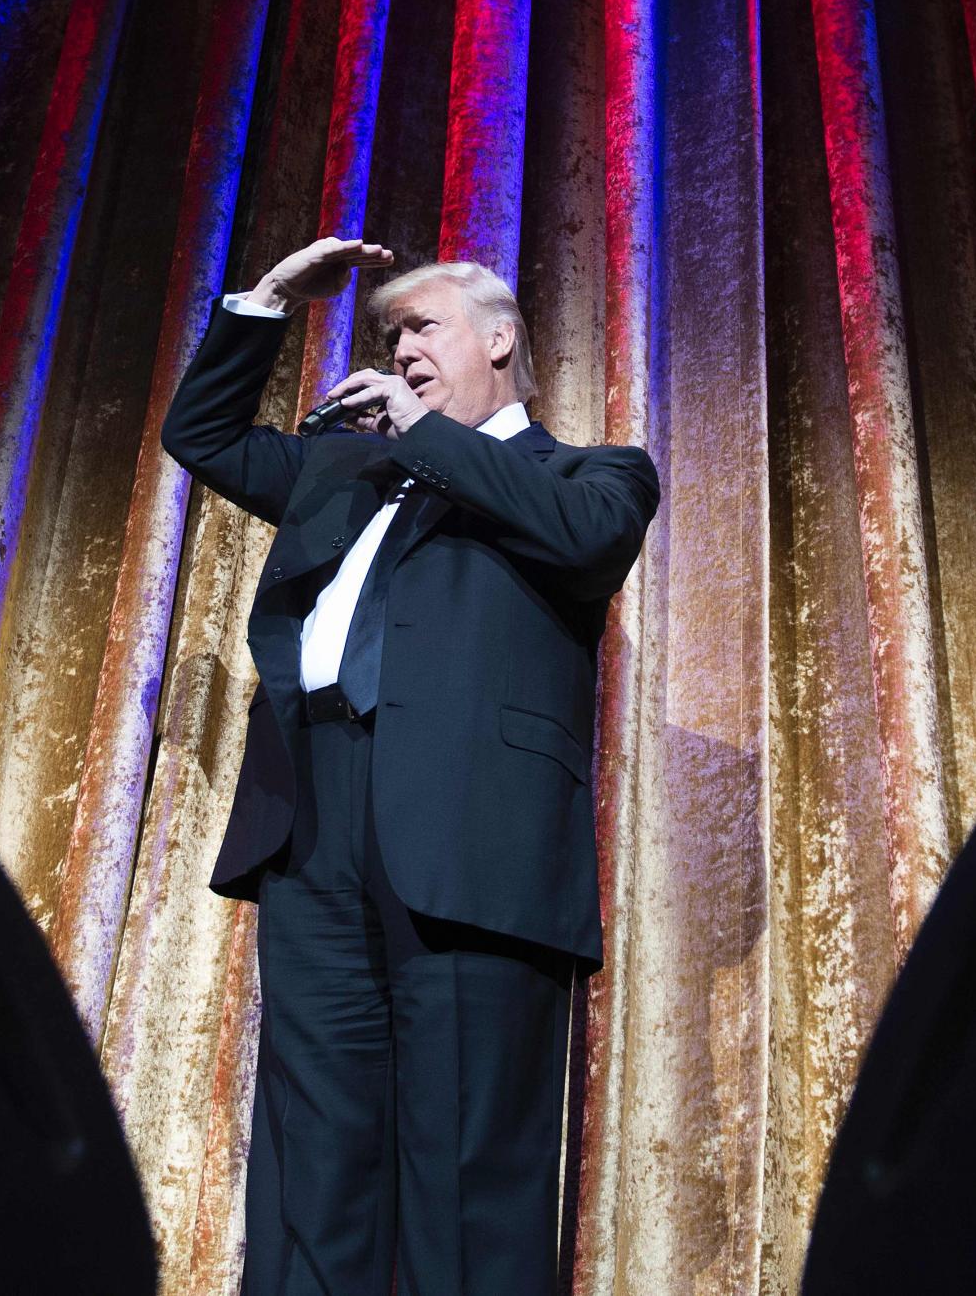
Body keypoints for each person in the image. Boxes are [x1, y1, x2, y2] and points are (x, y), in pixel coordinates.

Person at [162, 235, 660, 1296]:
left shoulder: (590, 473)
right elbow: (200, 434)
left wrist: (424, 430)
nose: (400, 349)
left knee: (467, 1164)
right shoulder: (344, 468)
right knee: (316, 1153)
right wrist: (266, 302)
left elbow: (581, 542)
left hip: (472, 839)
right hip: (313, 824)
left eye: (421, 328)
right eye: (390, 336)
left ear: (499, 336)